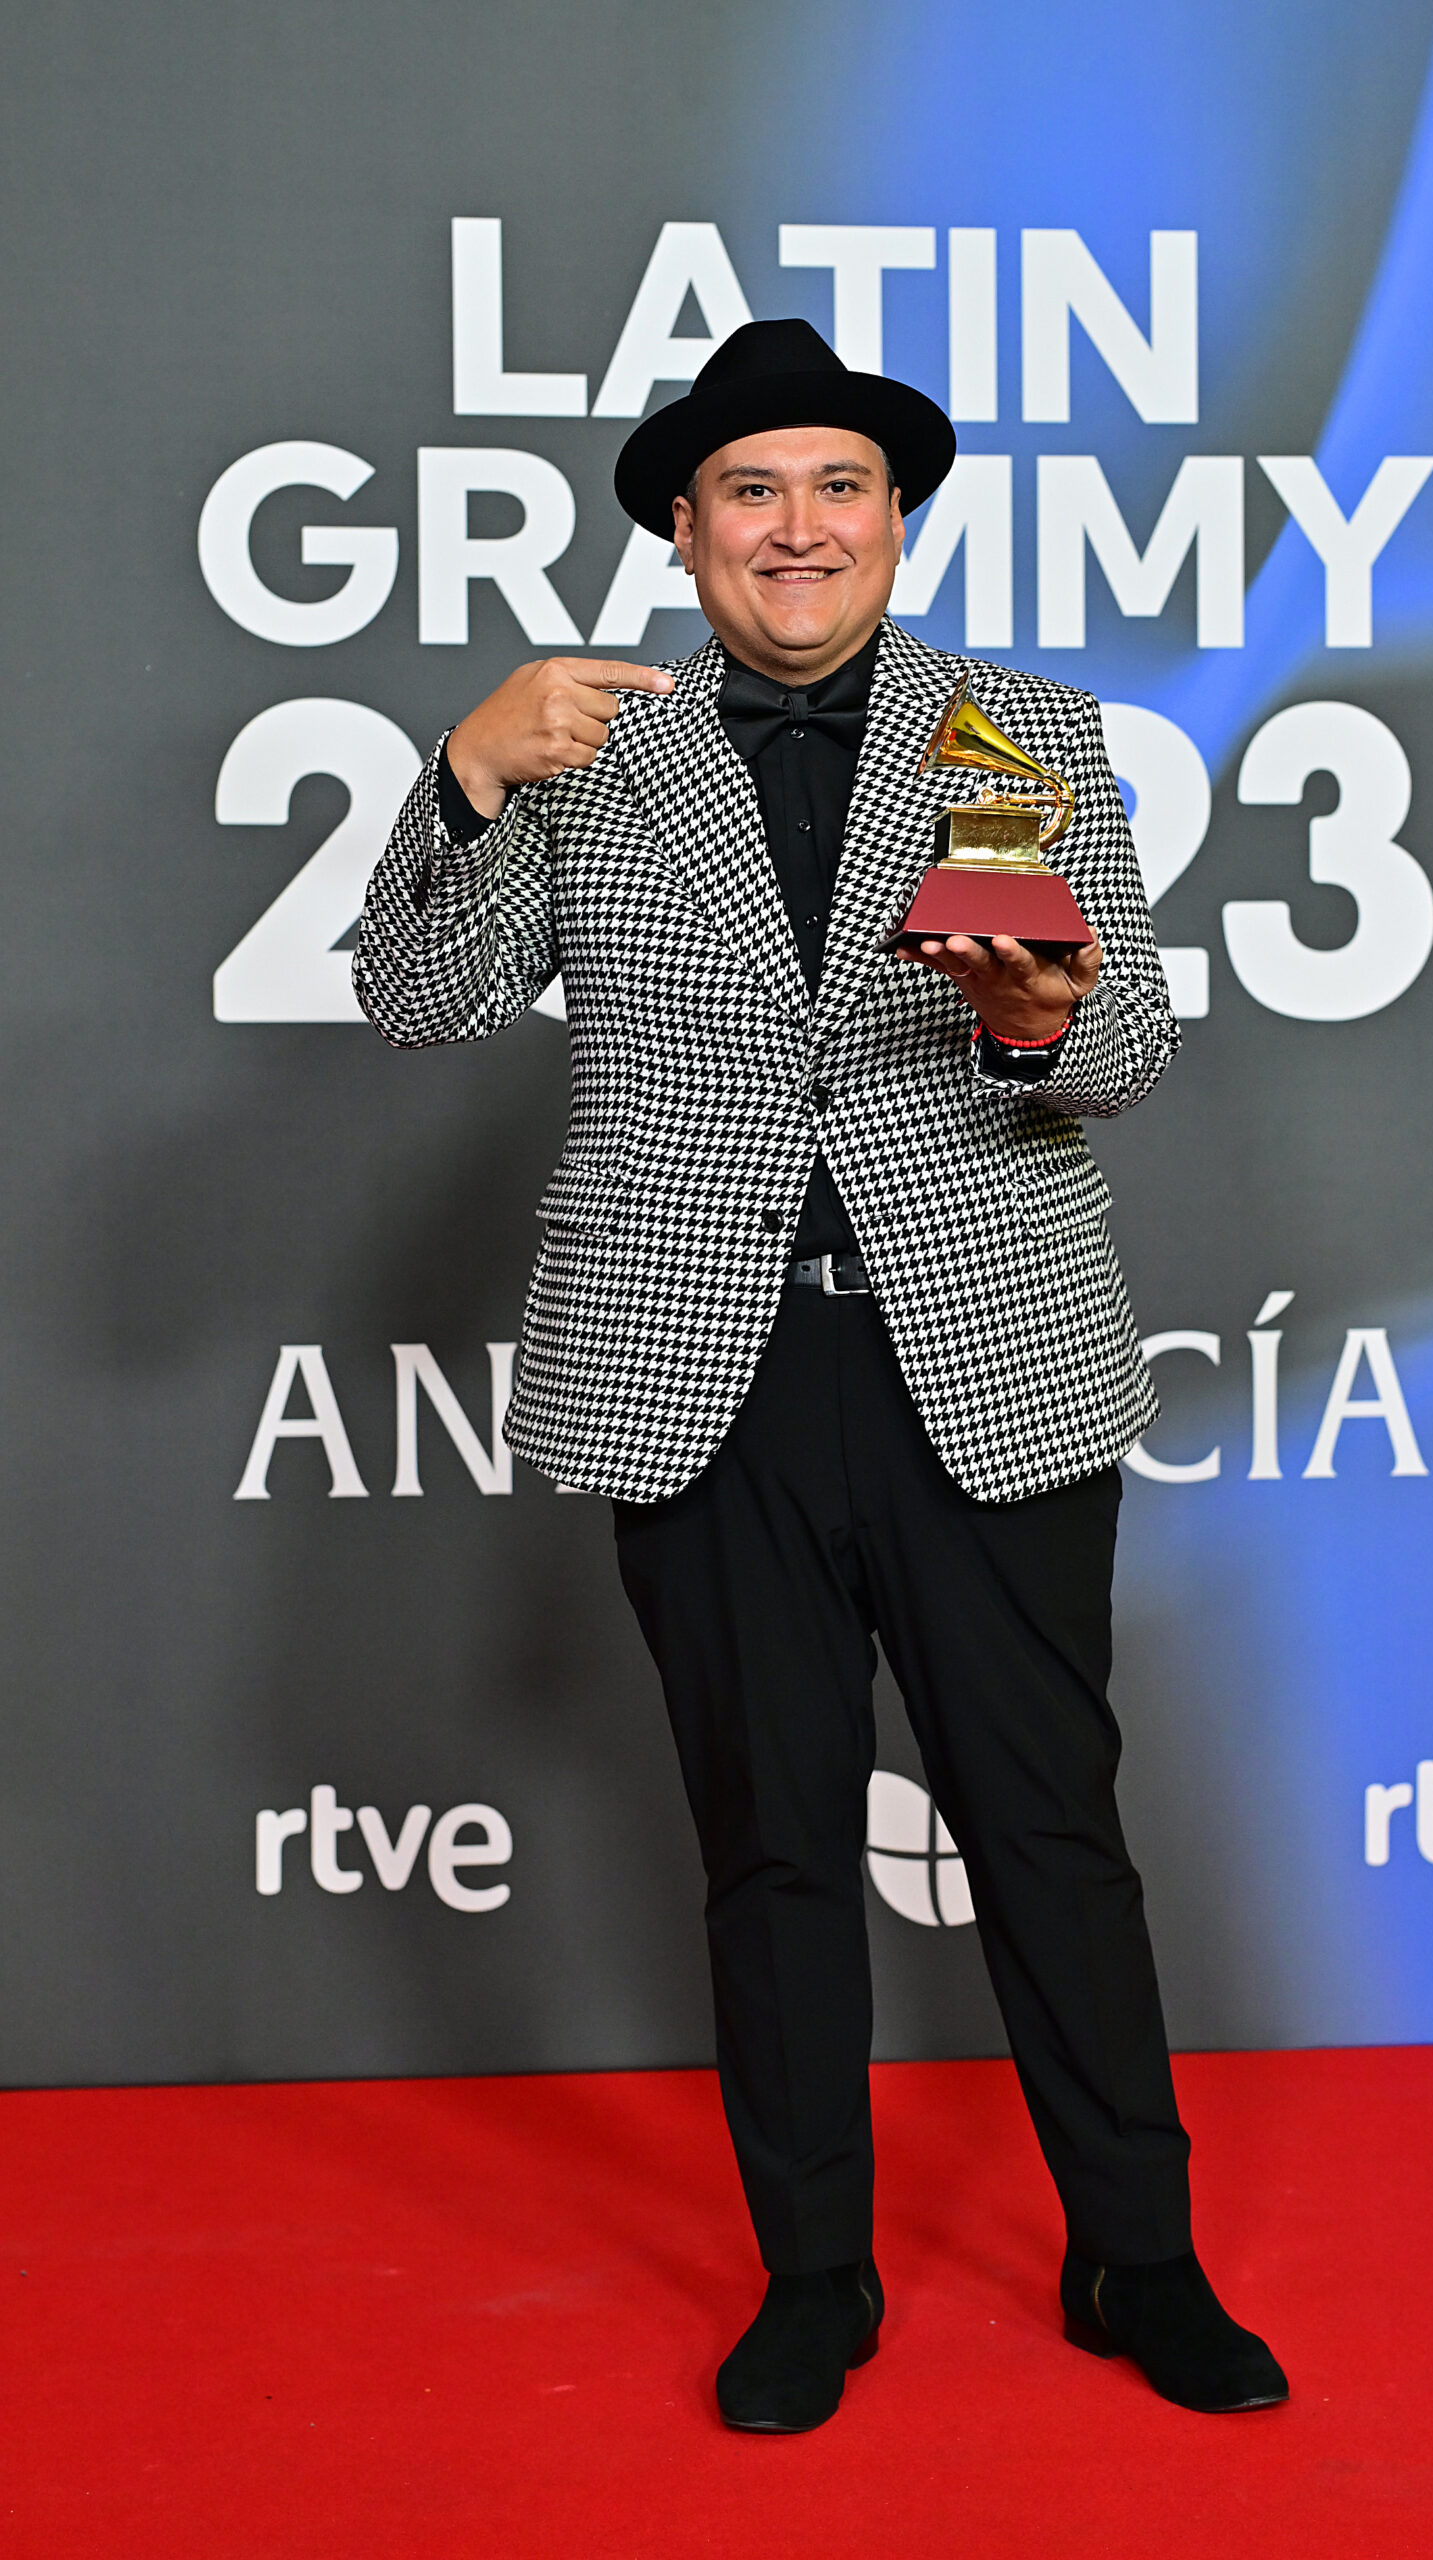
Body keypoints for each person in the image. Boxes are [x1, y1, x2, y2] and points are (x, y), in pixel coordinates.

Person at [355, 318, 1286, 2431]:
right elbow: (417, 1000)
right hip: (705, 1372)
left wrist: (1035, 1010)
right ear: (684, 533)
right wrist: (467, 768)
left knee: (1048, 1824)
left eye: (838, 485)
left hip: (987, 1354)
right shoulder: (591, 740)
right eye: (750, 490)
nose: (799, 524)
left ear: (893, 516)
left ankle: (1135, 2253)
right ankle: (815, 2275)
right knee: (767, 1838)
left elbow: (1116, 1054)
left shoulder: (1006, 733)